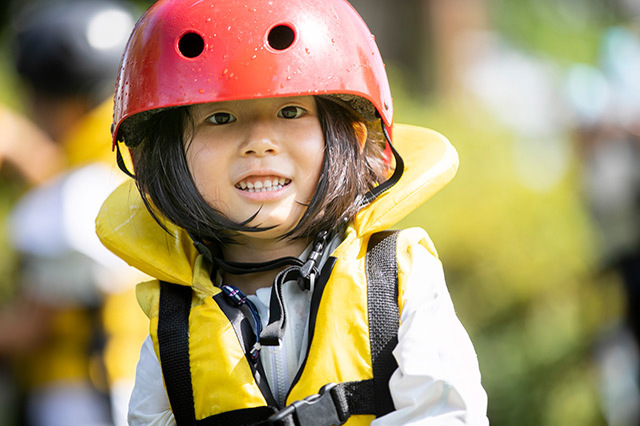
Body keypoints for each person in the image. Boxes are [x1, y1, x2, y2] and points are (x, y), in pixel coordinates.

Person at [96, 0, 489, 424]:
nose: (259, 143)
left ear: (352, 137)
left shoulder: (394, 277)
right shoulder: (175, 320)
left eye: (290, 111)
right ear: (165, 156)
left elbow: (446, 413)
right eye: (221, 117)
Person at [1, 1, 147, 425]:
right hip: (123, 381)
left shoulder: (78, 193)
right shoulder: (126, 157)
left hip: (84, 395)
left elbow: (29, 328)